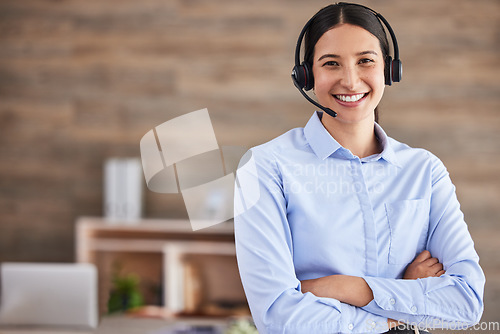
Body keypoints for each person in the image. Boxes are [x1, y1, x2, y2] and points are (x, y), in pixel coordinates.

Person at [233, 2, 485, 334]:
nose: (350, 81)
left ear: (388, 70)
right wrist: (399, 312)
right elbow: (280, 317)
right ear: (306, 75)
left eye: (365, 60)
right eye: (331, 63)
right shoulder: (265, 168)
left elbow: (466, 303)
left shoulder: (424, 171)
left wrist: (343, 286)